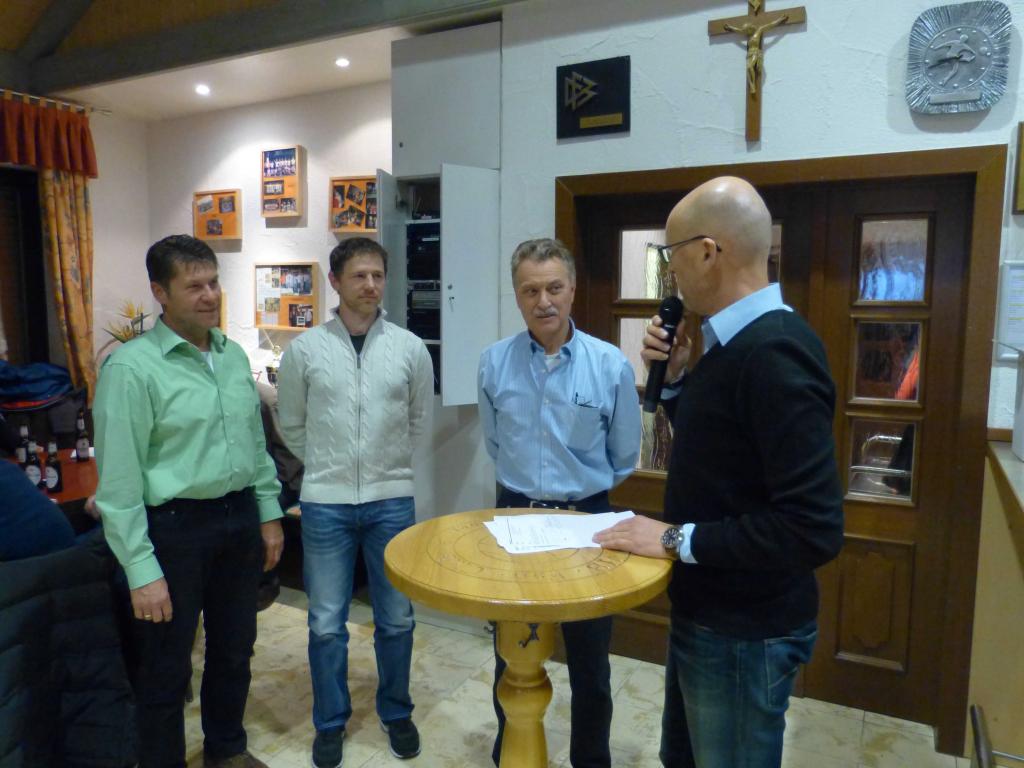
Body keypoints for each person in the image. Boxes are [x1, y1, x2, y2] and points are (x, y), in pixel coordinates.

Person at [594, 177, 844, 768]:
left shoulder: (775, 351)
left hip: (744, 631)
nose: (670, 271)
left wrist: (672, 538)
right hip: (712, 614)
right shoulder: (733, 344)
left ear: (708, 252)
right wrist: (677, 381)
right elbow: (727, 457)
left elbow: (811, 528)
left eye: (672, 254)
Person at [93, 234, 285, 768]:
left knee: (234, 650)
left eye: (213, 283)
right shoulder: (132, 369)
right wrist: (140, 570)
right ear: (160, 292)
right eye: (194, 286)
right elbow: (119, 484)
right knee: (164, 668)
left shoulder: (231, 356)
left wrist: (269, 514)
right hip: (173, 530)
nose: (210, 296)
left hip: (237, 520)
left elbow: (255, 446)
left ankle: (226, 750)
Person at [477, 237, 641, 768]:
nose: (543, 301)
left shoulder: (609, 365)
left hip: (587, 519)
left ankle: (591, 759)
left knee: (591, 660)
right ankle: (512, 751)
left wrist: (578, 491)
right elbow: (495, 443)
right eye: (530, 291)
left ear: (571, 290)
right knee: (511, 653)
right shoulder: (493, 363)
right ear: (516, 296)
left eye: (554, 288)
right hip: (515, 513)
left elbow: (624, 454)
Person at [277, 237, 433, 768]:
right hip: (326, 504)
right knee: (325, 623)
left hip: (392, 501)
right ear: (335, 281)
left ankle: (396, 711)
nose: (370, 285)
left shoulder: (409, 348)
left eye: (377, 275)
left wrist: (386, 466)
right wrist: (329, 467)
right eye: (359, 276)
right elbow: (291, 424)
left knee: (397, 618)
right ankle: (330, 722)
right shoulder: (304, 351)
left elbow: (417, 420)